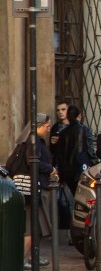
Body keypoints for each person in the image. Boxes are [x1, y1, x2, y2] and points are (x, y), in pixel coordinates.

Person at [5, 113, 57, 268]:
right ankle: (21, 258)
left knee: (38, 227)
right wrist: (51, 169)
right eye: (47, 126)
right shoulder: (34, 141)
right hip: (32, 188)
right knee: (32, 227)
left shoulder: (30, 140)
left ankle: (33, 255)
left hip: (33, 187)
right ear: (39, 126)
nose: (48, 130)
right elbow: (33, 162)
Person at [52, 105, 96, 229]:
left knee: (71, 201)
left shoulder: (63, 132)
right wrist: (94, 164)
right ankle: (82, 227)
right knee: (83, 200)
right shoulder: (84, 130)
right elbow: (90, 150)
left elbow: (59, 154)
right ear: (79, 116)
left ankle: (73, 230)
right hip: (81, 169)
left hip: (67, 171)